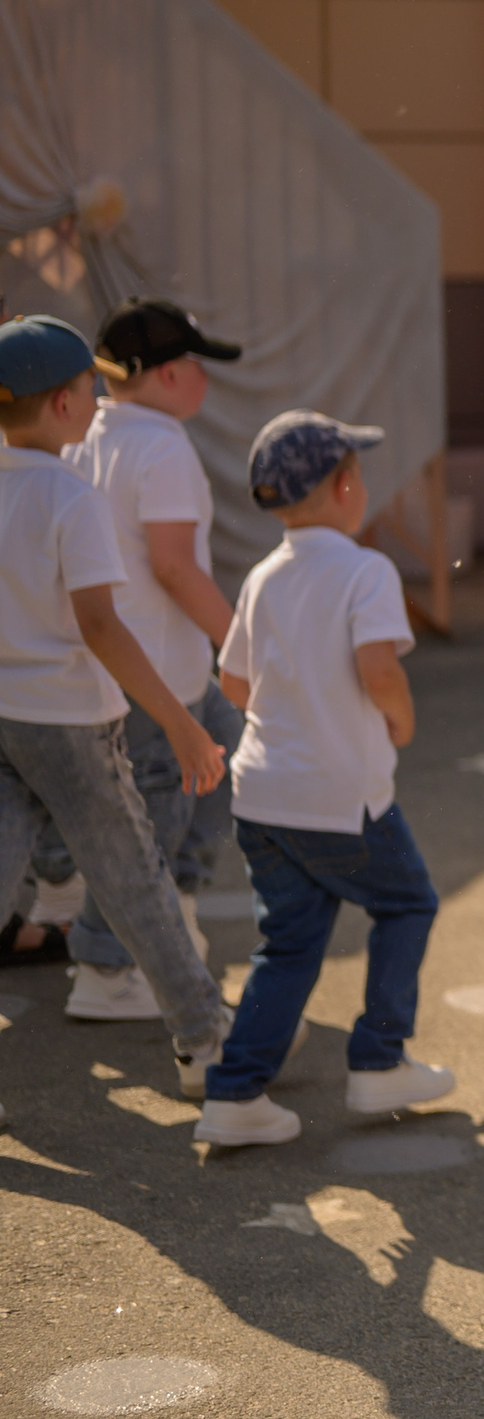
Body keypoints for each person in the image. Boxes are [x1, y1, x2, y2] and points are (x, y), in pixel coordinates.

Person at [195, 412, 452, 1147]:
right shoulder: (365, 571)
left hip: (263, 796)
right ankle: (379, 1060)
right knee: (407, 903)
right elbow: (379, 669)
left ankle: (235, 1093)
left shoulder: (262, 577)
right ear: (344, 487)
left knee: (288, 944)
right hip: (342, 798)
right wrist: (399, 718)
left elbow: (233, 683)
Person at [0, 315, 231, 1108]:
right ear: (64, 402)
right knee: (137, 881)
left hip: (4, 714)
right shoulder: (72, 495)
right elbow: (100, 624)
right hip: (70, 719)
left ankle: (204, 1036)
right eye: (88, 389)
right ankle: (207, 1044)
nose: (100, 400)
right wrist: (180, 721)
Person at [59, 299, 246, 1017]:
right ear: (167, 374)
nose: (202, 377)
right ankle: (106, 968)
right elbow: (174, 566)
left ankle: (176, 911)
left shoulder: (89, 433)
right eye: (194, 363)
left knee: (226, 754)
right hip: (161, 671)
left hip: (119, 665)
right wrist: (243, 646)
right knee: (152, 821)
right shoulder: (163, 446)